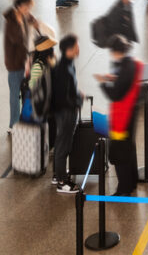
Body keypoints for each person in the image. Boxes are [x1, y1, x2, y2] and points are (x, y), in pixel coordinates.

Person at [96, 35, 141, 196]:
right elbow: (125, 83)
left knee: (120, 152)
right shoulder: (131, 64)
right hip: (131, 112)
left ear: (115, 51)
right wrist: (115, 78)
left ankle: (124, 188)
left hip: (121, 117)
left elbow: (115, 94)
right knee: (129, 147)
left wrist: (103, 82)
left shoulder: (123, 66)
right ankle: (132, 181)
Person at [52, 34, 83, 193]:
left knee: (62, 143)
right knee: (63, 144)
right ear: (69, 50)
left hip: (66, 111)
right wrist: (77, 101)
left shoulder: (68, 64)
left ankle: (58, 174)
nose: (79, 48)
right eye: (77, 46)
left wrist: (77, 93)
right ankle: (62, 182)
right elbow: (63, 96)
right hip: (65, 112)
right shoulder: (63, 69)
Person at [4, 0, 39, 132]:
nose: (28, 10)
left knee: (23, 92)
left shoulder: (23, 15)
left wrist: (34, 21)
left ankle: (22, 120)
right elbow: (17, 40)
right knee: (15, 95)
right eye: (27, 7)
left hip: (22, 60)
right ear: (19, 6)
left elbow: (30, 18)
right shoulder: (11, 21)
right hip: (14, 64)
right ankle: (13, 125)